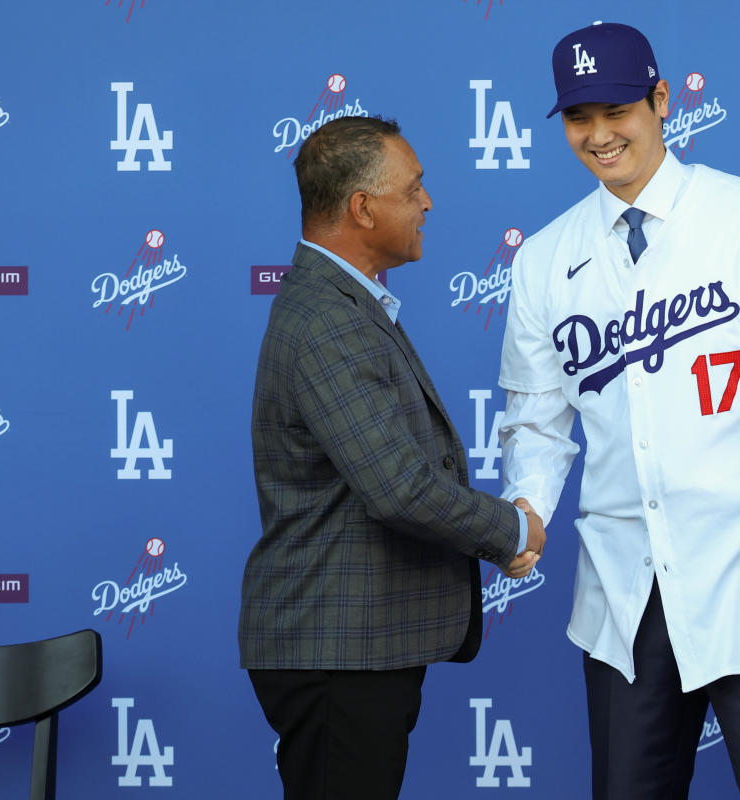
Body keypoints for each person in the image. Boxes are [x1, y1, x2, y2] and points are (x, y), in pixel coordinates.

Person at [498, 22, 740, 800]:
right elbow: (537, 421)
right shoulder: (544, 258)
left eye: (617, 111)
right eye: (579, 118)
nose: (600, 136)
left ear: (661, 100)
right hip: (623, 596)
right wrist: (527, 510)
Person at [239, 115, 545, 800]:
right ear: (363, 207)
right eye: (414, 189)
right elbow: (399, 487)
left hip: (350, 646)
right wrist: (514, 531)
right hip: (335, 649)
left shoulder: (343, 304)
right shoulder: (330, 318)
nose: (427, 202)